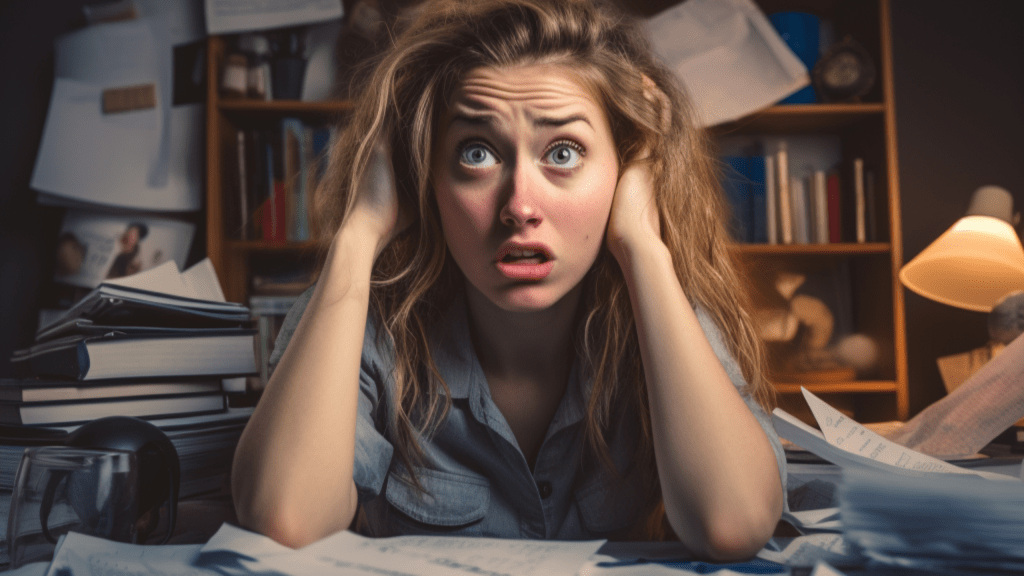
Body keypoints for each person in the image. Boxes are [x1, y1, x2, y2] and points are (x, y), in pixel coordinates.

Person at [232, 0, 786, 560]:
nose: (520, 206)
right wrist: (359, 233)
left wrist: (643, 245)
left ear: (622, 174)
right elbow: (287, 520)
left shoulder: (663, 315)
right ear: (423, 178)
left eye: (563, 152)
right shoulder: (364, 324)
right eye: (477, 153)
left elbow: (732, 523)